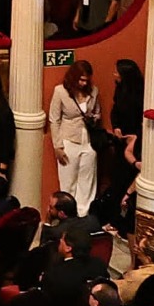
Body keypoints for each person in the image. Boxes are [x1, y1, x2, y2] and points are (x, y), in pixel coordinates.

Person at [50, 60, 102, 217]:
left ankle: (83, 215)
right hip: (69, 140)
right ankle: (68, 215)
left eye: (86, 79)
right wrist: (57, 146)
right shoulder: (60, 91)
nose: (83, 83)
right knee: (68, 181)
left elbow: (98, 112)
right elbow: (54, 119)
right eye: (80, 79)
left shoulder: (94, 91)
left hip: (89, 141)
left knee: (87, 181)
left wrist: (94, 117)